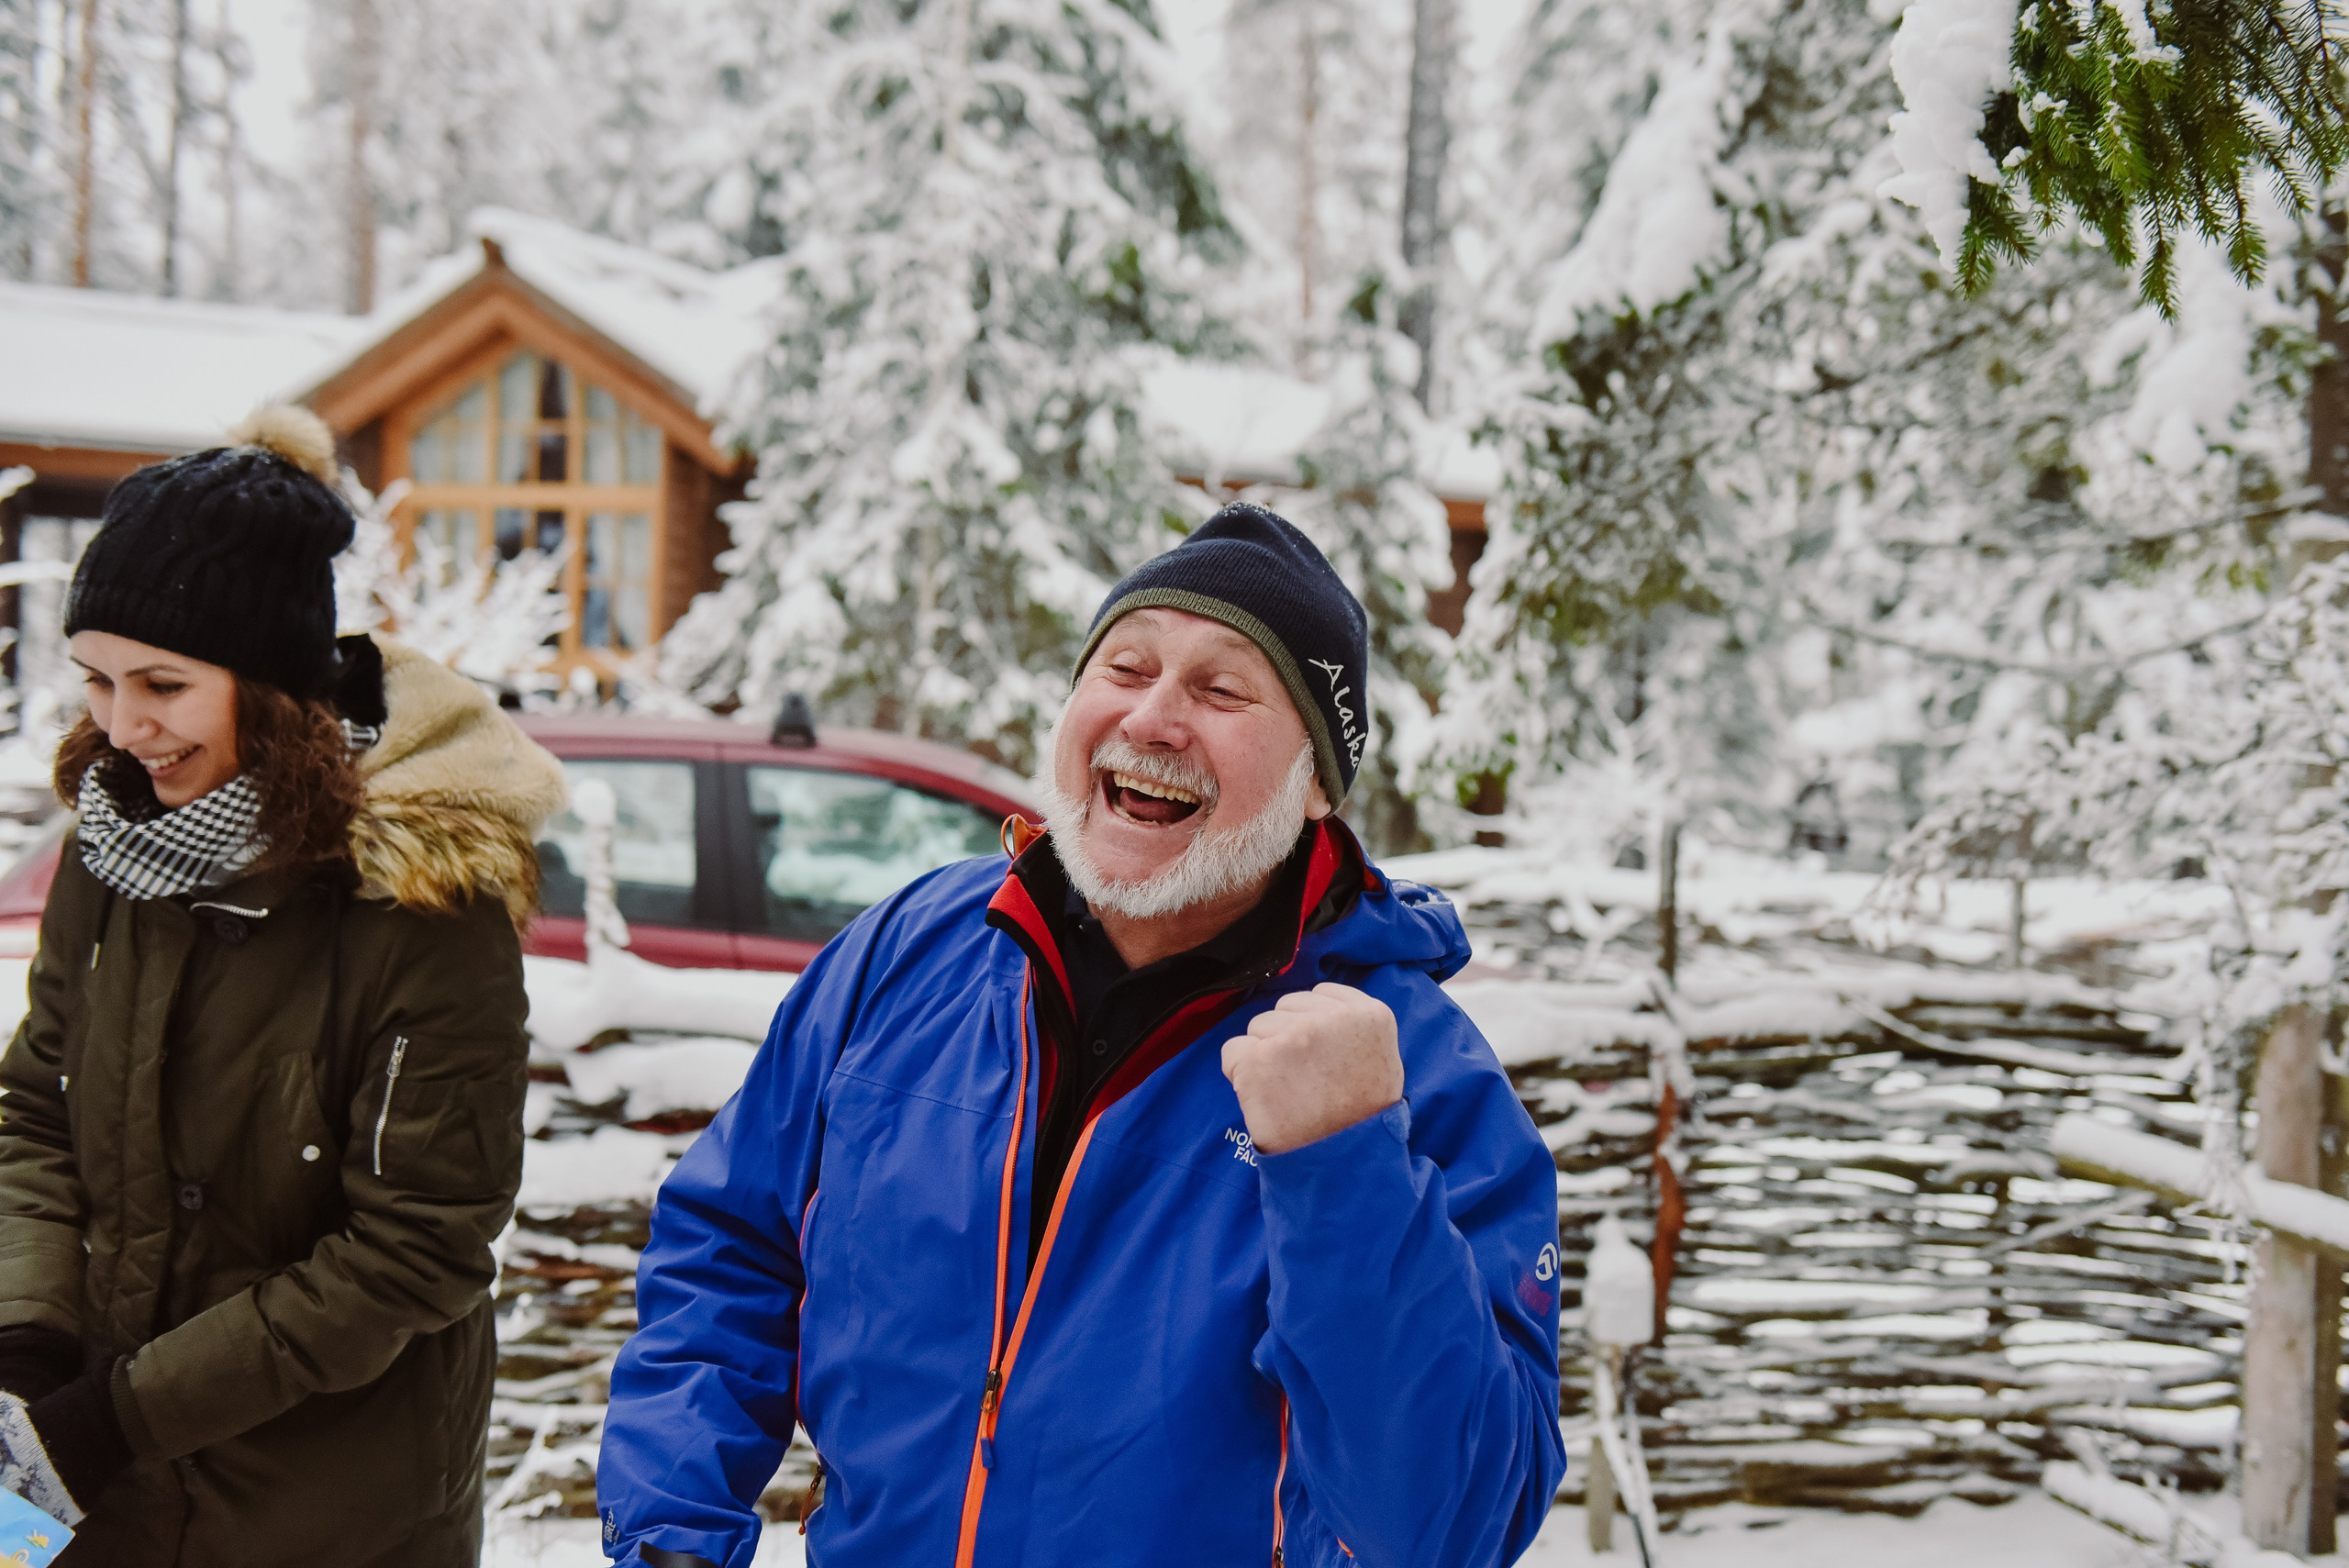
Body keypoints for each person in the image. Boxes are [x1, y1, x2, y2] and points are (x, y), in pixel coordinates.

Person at [598, 503, 1565, 1568]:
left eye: (1221, 688)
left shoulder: (1416, 1071)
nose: (1152, 718)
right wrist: (671, 1523)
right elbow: (729, 1246)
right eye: (1123, 667)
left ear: (1314, 793)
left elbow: (1451, 1525)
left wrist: (1345, 1167)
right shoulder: (911, 952)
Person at [0, 408, 568, 1565]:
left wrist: (114, 1419)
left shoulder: (425, 897)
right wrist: (30, 1351)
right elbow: (36, 1114)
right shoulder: (113, 848)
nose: (123, 726)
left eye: (163, 682)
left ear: (271, 687)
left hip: (330, 1514)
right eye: (98, 679)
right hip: (95, 1499)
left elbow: (417, 1247)